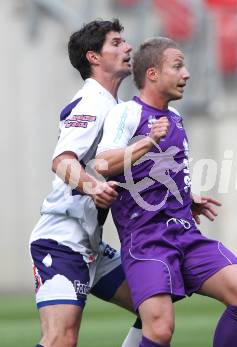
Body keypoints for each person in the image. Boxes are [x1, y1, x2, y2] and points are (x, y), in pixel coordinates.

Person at [96, 37, 237, 347]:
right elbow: (103, 164)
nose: (186, 74)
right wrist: (147, 141)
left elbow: (162, 173)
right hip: (147, 241)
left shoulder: (174, 118)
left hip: (185, 234)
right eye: (178, 66)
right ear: (153, 74)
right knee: (159, 330)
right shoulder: (127, 114)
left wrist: (186, 198)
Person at [29, 19, 141, 347]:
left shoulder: (115, 108)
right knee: (60, 340)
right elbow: (62, 161)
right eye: (117, 43)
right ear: (94, 57)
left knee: (155, 306)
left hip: (92, 247)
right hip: (61, 242)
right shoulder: (93, 104)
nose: (128, 47)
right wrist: (93, 187)